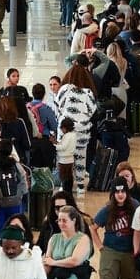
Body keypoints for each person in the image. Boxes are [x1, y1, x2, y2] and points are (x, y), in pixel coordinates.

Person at [88, 182, 138, 279]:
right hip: (110, 251)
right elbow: (93, 227)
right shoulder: (108, 209)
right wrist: (100, 247)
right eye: (117, 192)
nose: (120, 195)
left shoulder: (135, 206)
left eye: (123, 191)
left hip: (129, 253)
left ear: (127, 192)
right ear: (113, 194)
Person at [56, 66, 97, 199]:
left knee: (64, 157)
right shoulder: (88, 93)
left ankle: (65, 183)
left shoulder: (64, 89)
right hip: (82, 130)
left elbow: (58, 107)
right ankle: (80, 185)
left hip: (65, 129)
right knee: (80, 156)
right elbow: (92, 110)